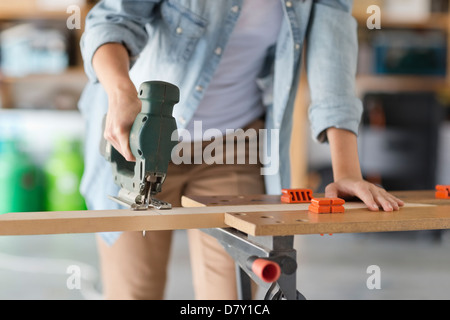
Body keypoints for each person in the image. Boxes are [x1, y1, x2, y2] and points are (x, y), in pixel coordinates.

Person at [78, 0, 404, 300]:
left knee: (232, 299)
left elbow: (331, 54)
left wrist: (346, 171)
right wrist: (120, 89)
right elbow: (111, 20)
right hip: (138, 142)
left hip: (232, 147)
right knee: (134, 291)